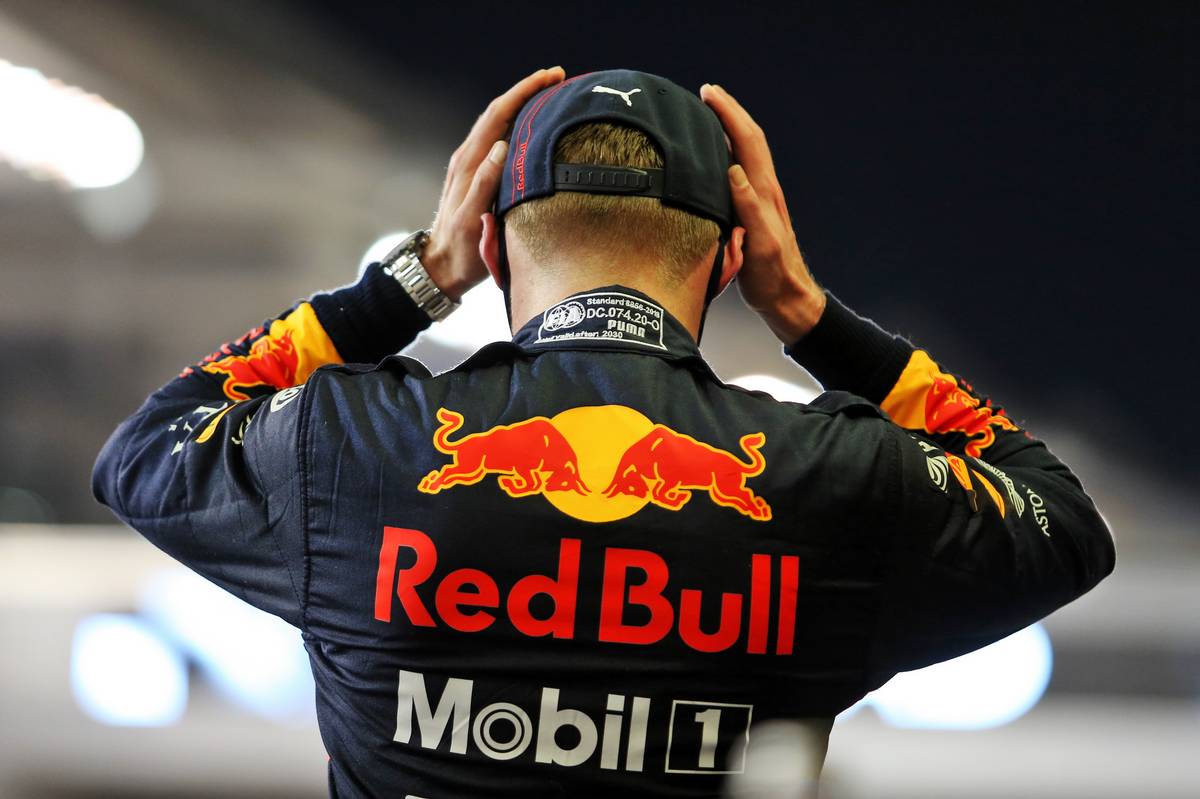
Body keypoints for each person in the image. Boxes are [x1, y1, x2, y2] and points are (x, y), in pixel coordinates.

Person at [92, 67, 1115, 798]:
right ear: (730, 261)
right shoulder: (835, 476)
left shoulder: (351, 444)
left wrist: (405, 283)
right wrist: (811, 316)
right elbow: (1064, 522)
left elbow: (147, 448)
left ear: (490, 246)